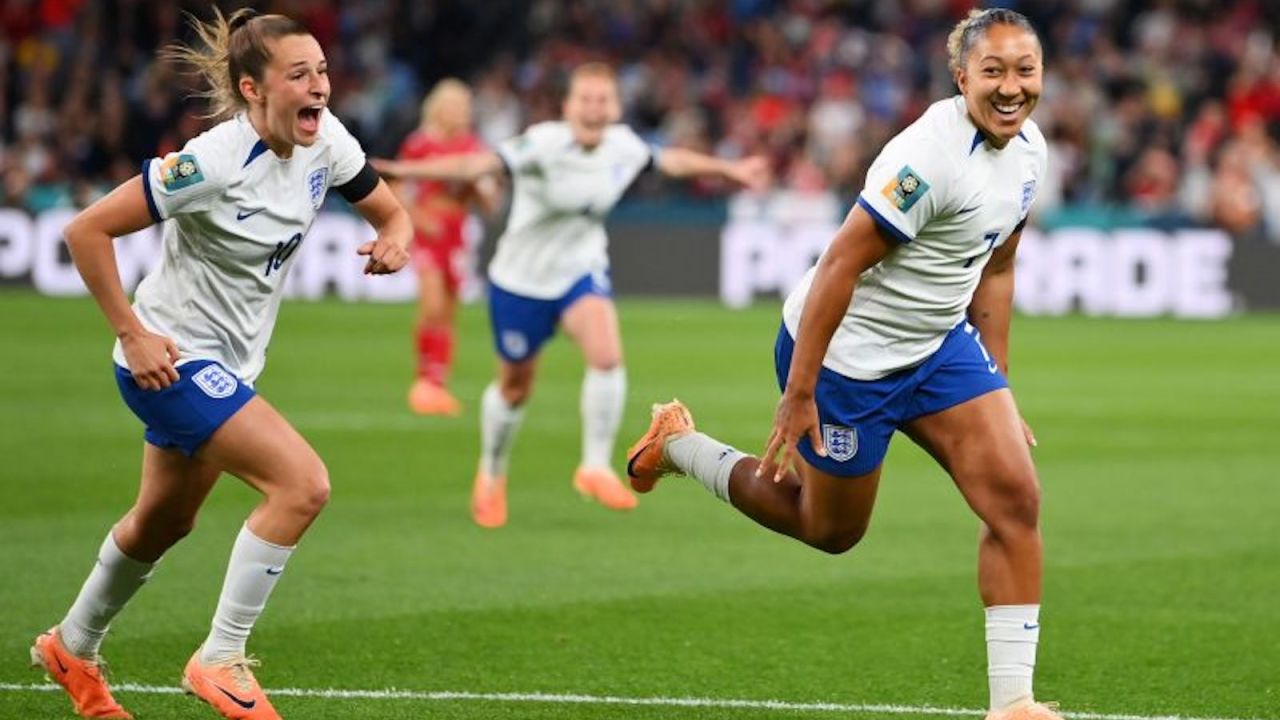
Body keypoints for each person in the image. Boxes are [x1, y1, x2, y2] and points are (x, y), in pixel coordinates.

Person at [626, 10, 1063, 720]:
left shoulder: (1030, 151)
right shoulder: (926, 159)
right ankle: (679, 445)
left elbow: (1000, 265)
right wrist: (799, 393)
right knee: (829, 531)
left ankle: (1011, 703)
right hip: (844, 360)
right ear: (962, 78)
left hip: (937, 345)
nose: (1012, 87)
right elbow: (838, 266)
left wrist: (1000, 386)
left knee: (1016, 499)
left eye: (1025, 70)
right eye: (994, 72)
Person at [29, 10, 411, 720]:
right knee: (302, 486)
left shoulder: (326, 139)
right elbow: (85, 230)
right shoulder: (212, 160)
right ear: (252, 89)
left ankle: (71, 647)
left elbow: (392, 213)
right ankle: (220, 656)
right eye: (299, 75)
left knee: (161, 523)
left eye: (322, 70)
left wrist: (397, 236)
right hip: (170, 361)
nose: (320, 86)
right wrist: (132, 331)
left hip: (233, 367)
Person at [375, 62, 769, 528]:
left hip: (580, 270)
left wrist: (731, 169)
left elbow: (674, 160)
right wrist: (404, 168)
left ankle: (595, 466)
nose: (594, 108)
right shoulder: (542, 143)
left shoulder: (623, 146)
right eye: (585, 99)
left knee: (606, 356)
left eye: (603, 99)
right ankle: (491, 473)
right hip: (521, 279)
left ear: (615, 107)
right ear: (569, 106)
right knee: (515, 386)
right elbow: (475, 164)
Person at [396, 78, 501, 416]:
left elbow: (491, 203)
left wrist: (481, 188)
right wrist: (415, 216)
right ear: (439, 109)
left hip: (457, 233)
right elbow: (396, 185)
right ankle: (423, 380)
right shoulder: (420, 144)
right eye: (455, 106)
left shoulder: (474, 148)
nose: (461, 113)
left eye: (464, 107)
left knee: (449, 311)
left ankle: (436, 384)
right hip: (430, 230)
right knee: (432, 304)